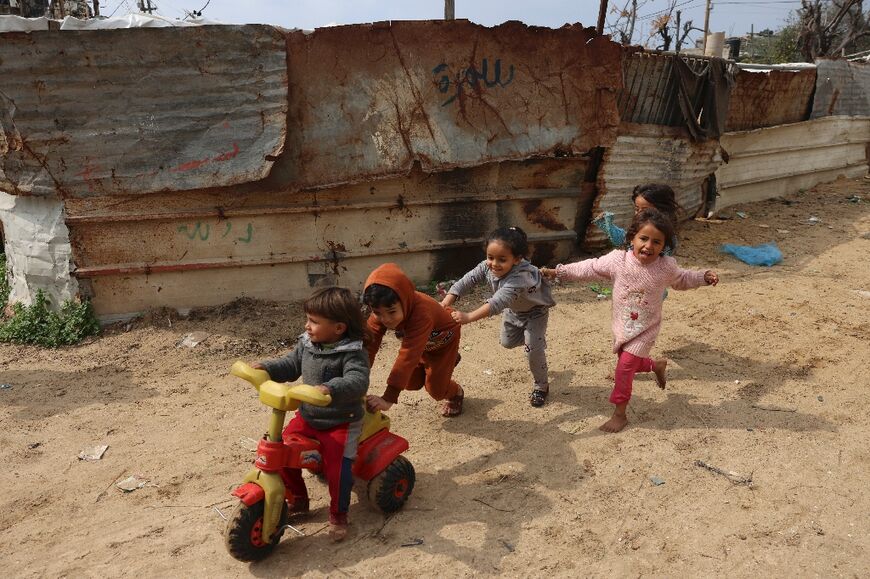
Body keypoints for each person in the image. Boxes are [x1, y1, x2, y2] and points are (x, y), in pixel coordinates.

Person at [542, 209, 718, 433]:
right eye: (643, 239)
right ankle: (655, 365)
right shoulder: (618, 260)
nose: (649, 246)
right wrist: (558, 272)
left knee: (624, 368)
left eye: (657, 242)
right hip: (623, 326)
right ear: (632, 238)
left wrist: (703, 276)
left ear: (664, 245)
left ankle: (620, 414)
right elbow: (589, 267)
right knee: (630, 363)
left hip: (646, 329)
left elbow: (682, 278)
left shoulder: (665, 267)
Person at [253, 287, 369, 542]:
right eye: (307, 319)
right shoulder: (307, 344)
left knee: (338, 468)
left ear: (338, 328)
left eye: (314, 322)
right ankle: (299, 499)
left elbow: (357, 380)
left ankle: (339, 514)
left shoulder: (352, 351)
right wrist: (267, 368)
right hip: (308, 416)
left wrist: (331, 387)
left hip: (340, 420)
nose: (307, 326)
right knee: (280, 450)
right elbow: (291, 365)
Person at [441, 226, 555, 407]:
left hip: (535, 312)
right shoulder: (487, 267)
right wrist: (446, 302)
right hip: (513, 311)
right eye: (490, 257)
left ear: (517, 259)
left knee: (533, 350)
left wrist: (469, 316)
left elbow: (497, 302)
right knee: (507, 342)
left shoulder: (521, 276)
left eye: (502, 259)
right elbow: (467, 280)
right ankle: (535, 341)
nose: (494, 263)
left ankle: (541, 386)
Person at [363, 263, 465, 417]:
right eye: (377, 312)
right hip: (421, 343)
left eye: (391, 312)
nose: (386, 319)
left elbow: (409, 354)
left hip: (442, 341)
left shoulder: (421, 313)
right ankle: (442, 366)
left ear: (404, 300)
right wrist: (356, 380)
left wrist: (389, 397)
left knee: (436, 390)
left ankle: (456, 392)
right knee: (411, 382)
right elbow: (367, 347)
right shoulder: (382, 311)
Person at [593, 183, 682, 254]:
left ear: (662, 210)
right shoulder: (640, 226)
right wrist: (607, 225)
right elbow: (625, 239)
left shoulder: (666, 237)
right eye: (637, 209)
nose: (639, 213)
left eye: (645, 209)